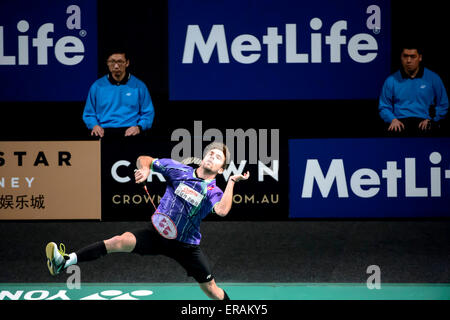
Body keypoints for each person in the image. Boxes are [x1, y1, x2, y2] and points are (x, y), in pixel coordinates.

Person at [45, 142, 249, 300]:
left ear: (221, 169)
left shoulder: (213, 190)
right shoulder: (178, 170)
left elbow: (222, 211)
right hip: (157, 233)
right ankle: (64, 261)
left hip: (186, 245)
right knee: (118, 241)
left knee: (212, 290)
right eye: (210, 153)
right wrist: (145, 169)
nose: (212, 157)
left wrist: (231, 182)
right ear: (203, 157)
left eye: (218, 157)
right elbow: (145, 159)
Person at [378, 44, 448, 136]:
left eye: (413, 57)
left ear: (420, 58)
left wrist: (432, 120)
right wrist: (392, 119)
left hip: (425, 121)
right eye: (405, 56)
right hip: (399, 122)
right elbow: (384, 106)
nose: (408, 60)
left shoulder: (433, 78)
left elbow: (443, 104)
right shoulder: (391, 80)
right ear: (401, 57)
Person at [82, 49, 155, 138]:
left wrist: (139, 127)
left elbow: (148, 113)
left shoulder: (139, 86)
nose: (116, 66)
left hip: (131, 131)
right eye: (112, 62)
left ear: (127, 63)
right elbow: (89, 113)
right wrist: (94, 125)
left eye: (120, 62)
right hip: (104, 131)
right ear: (107, 63)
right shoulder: (97, 86)